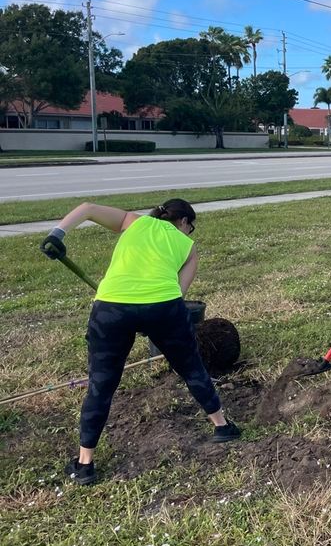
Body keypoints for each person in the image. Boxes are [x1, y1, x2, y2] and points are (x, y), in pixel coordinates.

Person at [39, 199, 240, 486]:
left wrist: (57, 234)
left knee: (101, 384)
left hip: (111, 308)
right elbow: (179, 293)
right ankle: (222, 427)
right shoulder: (189, 248)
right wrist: (152, 319)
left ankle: (85, 464)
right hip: (163, 307)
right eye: (190, 228)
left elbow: (87, 208)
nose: (189, 233)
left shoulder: (130, 221)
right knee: (191, 367)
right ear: (183, 222)